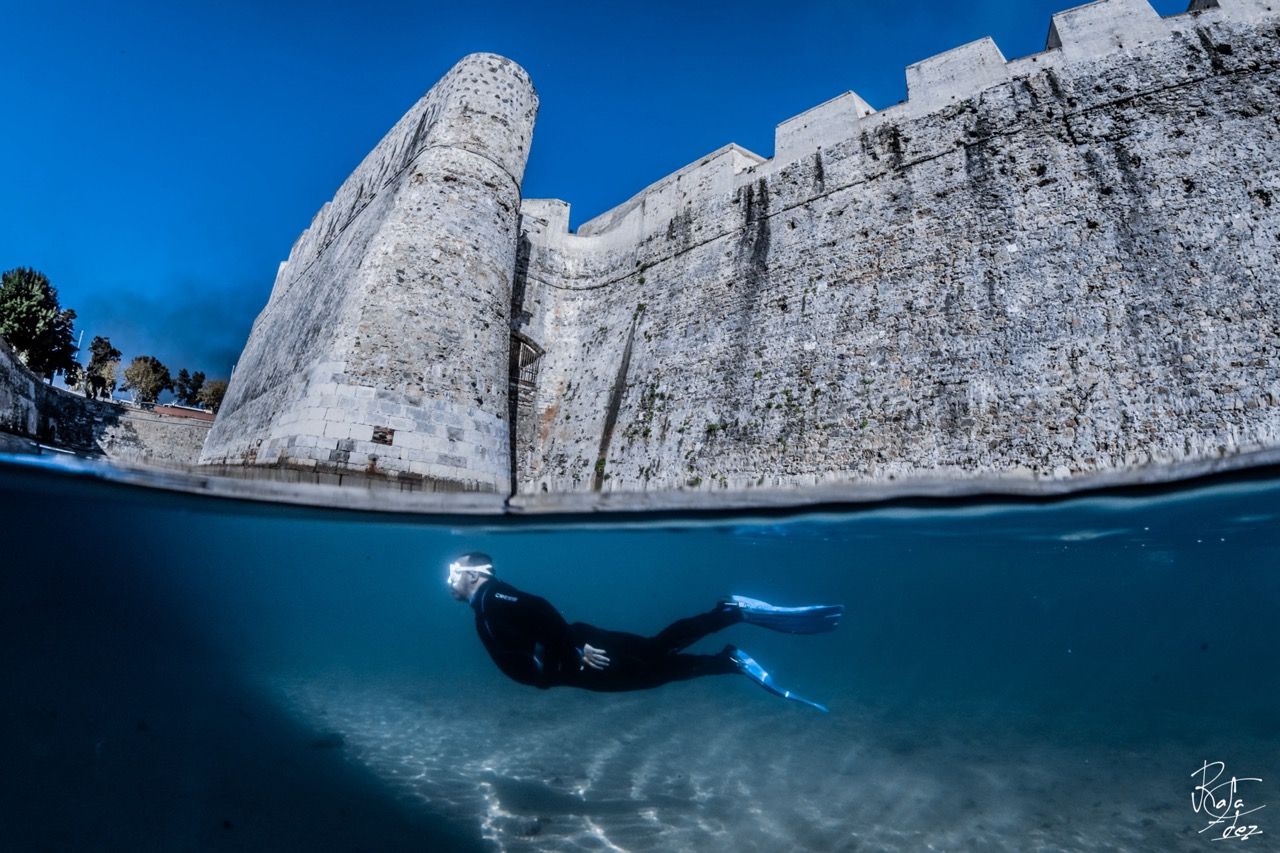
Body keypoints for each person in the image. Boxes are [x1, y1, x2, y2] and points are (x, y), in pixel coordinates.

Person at [446, 552, 842, 712]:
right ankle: (728, 659)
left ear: (472, 574)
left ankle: (729, 614)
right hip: (569, 666)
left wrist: (575, 647)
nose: (449, 582)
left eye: (453, 574)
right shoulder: (484, 606)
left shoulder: (494, 596)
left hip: (581, 655)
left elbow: (539, 609)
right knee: (653, 670)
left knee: (655, 655)